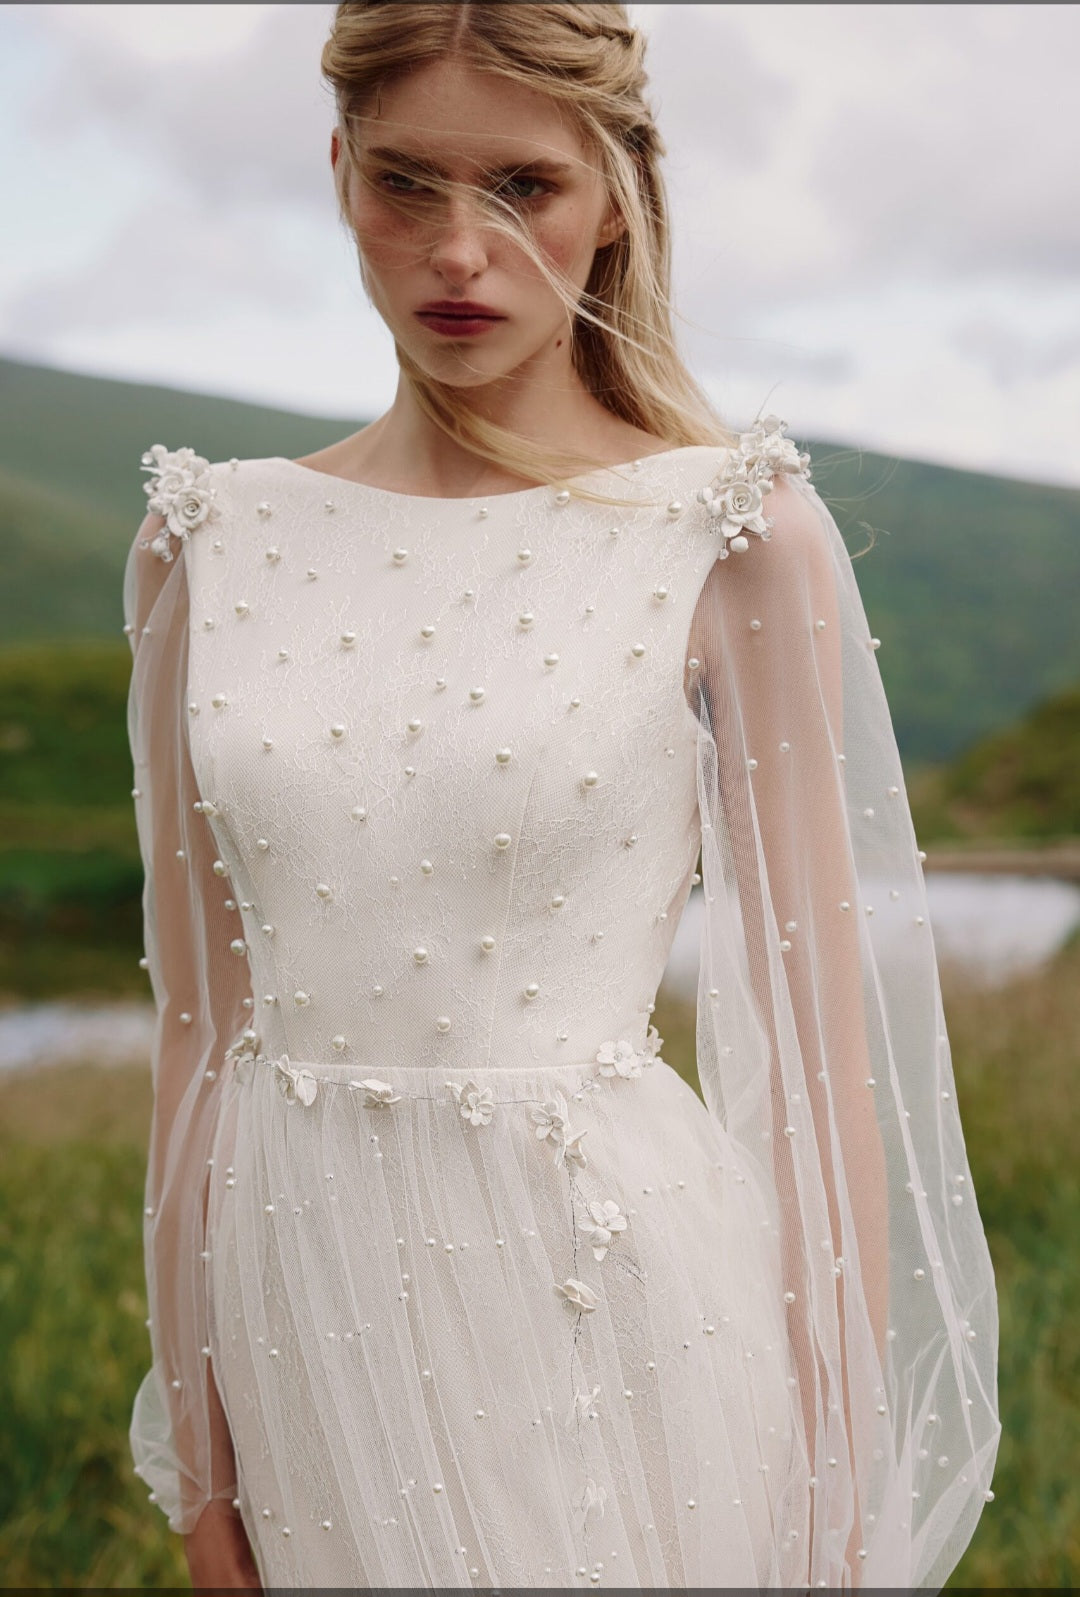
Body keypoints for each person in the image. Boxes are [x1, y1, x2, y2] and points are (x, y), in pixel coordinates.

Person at [122, 4, 1000, 1589]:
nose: (461, 248)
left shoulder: (731, 531)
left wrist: (836, 1486)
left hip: (617, 1312)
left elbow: (819, 1061)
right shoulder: (208, 541)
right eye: (408, 184)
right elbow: (198, 1032)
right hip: (304, 1316)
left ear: (615, 193)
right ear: (338, 174)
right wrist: (199, 1456)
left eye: (522, 186)